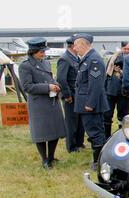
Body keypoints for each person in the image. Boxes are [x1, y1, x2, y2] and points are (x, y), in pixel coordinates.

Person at [18, 37, 66, 169]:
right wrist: (47, 88)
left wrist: (55, 85)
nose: (43, 54)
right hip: (39, 103)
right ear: (33, 52)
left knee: (54, 131)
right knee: (41, 134)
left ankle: (51, 156)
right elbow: (27, 87)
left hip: (52, 101)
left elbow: (50, 78)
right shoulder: (25, 66)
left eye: (44, 51)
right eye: (41, 52)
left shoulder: (46, 63)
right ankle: (45, 160)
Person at [73, 33, 109, 170]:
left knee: (96, 133)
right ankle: (98, 160)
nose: (75, 48)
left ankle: (99, 162)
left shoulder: (94, 60)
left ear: (83, 44)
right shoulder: (87, 59)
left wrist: (90, 104)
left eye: (76, 45)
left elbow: (96, 85)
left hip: (90, 105)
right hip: (86, 103)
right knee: (94, 132)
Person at [56, 36, 85, 153]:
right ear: (73, 46)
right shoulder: (65, 59)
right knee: (71, 122)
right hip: (71, 95)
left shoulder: (75, 58)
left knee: (79, 120)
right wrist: (67, 95)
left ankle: (79, 142)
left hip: (78, 95)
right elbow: (61, 79)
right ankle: (71, 146)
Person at [104, 41, 129, 139]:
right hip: (114, 91)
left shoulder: (128, 59)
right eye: (125, 49)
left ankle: (118, 137)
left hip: (119, 91)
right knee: (110, 115)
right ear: (122, 48)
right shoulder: (116, 58)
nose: (127, 51)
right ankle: (111, 137)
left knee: (120, 116)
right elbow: (107, 74)